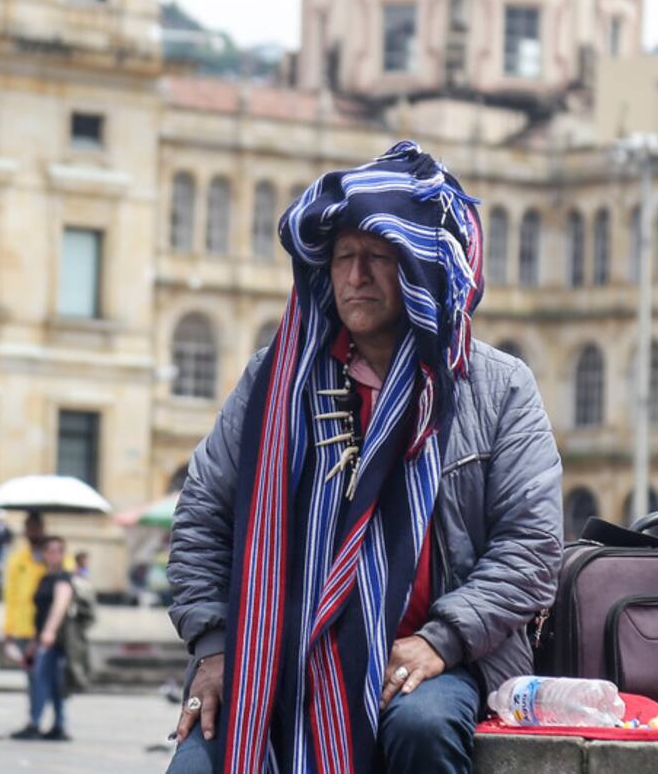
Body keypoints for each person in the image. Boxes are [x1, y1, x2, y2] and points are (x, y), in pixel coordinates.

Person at [166, 142, 563, 774]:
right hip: (276, 652)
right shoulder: (273, 385)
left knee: (423, 729)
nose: (356, 277)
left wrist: (441, 640)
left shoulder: (497, 386)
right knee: (196, 765)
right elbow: (199, 521)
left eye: (379, 258)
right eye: (345, 258)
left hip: (436, 654)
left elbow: (531, 546)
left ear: (423, 271)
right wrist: (214, 649)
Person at [20, 535, 74, 741]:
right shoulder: (44, 577)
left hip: (55, 639)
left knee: (41, 680)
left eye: (58, 550)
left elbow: (60, 606)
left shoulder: (63, 578)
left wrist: (49, 632)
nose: (53, 554)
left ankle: (35, 722)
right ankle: (58, 725)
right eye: (49, 550)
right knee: (52, 682)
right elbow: (39, 612)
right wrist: (35, 639)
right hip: (42, 637)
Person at [4, 511, 48, 739]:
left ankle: (38, 720)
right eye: (28, 528)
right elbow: (10, 596)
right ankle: (34, 719)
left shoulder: (51, 557)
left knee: (40, 676)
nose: (32, 533)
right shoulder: (18, 559)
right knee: (32, 677)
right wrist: (8, 630)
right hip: (22, 628)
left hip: (44, 629)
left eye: (35, 528)